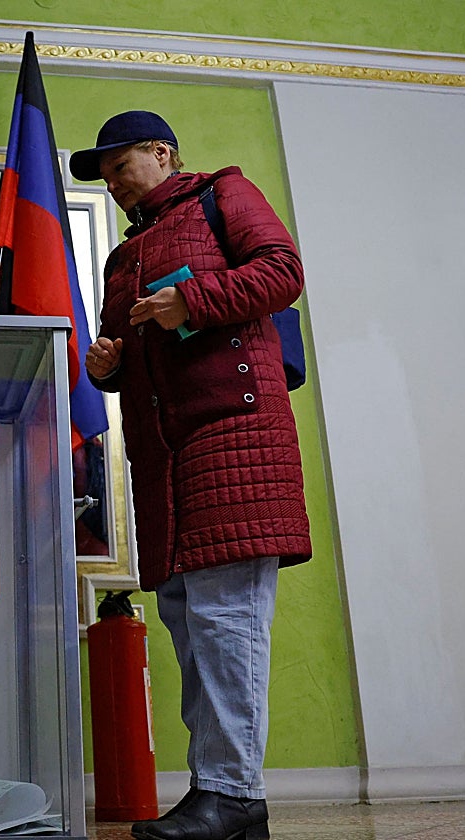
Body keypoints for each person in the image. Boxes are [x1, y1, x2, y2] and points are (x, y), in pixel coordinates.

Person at [70, 112, 310, 840]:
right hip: (166, 456)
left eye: (120, 166)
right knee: (189, 620)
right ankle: (226, 800)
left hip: (232, 439)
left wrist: (191, 299)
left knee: (226, 618)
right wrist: (106, 365)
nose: (113, 184)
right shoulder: (124, 256)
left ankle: (233, 794)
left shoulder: (222, 194)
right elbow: (132, 345)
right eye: (105, 176)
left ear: (162, 152)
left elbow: (283, 272)